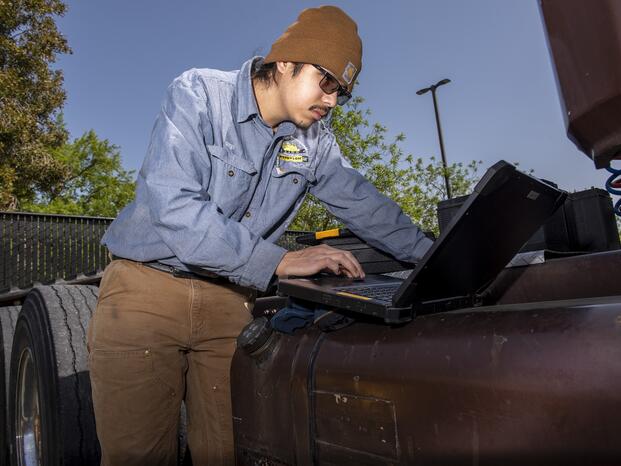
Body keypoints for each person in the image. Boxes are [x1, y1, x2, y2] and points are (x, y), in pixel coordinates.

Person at [87, 5, 432, 465]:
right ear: (286, 62)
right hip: (145, 296)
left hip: (231, 306)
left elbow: (366, 205)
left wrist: (435, 256)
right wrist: (279, 261)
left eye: (342, 93)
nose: (331, 100)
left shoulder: (316, 143)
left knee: (232, 453)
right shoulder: (200, 94)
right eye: (327, 81)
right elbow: (173, 202)